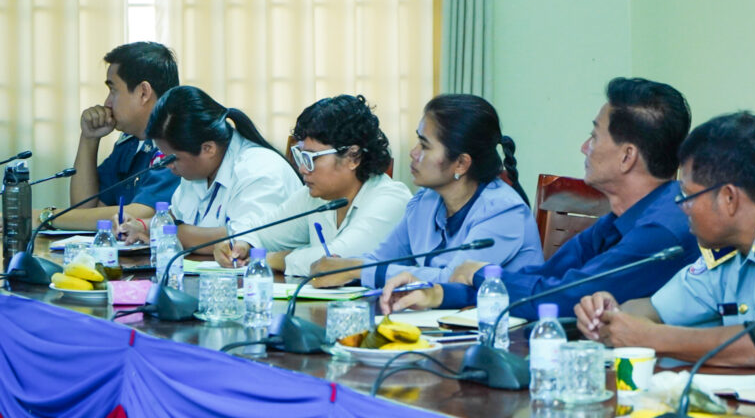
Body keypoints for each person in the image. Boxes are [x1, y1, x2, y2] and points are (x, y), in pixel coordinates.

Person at [379, 77, 699, 321]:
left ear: (627, 157)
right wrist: (439, 294)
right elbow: (544, 278)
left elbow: (561, 297)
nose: (584, 148)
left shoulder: (663, 230)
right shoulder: (619, 219)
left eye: (594, 137)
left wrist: (478, 274)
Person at [575, 112, 755, 367]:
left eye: (688, 196)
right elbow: (652, 310)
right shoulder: (729, 251)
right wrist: (611, 315)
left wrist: (653, 338)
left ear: (728, 198)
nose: (682, 207)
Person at [309, 94, 543, 288]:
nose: (413, 152)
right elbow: (380, 259)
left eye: (424, 145)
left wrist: (357, 269)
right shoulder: (426, 201)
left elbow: (455, 280)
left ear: (461, 163)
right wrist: (343, 267)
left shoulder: (504, 212)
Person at [211, 95, 411, 275]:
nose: (302, 169)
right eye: (300, 156)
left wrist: (278, 259)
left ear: (353, 157)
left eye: (311, 158)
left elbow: (339, 260)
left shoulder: (391, 199)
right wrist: (240, 244)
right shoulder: (316, 196)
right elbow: (260, 231)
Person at [117, 86, 300, 252]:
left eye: (172, 159)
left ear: (208, 149)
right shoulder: (198, 169)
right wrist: (141, 226)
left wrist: (167, 234)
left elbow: (241, 239)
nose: (166, 165)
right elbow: (175, 216)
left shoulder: (260, 169)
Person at [40, 42, 179, 230]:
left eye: (113, 90)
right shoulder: (130, 144)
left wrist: (45, 218)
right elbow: (84, 209)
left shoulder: (175, 143)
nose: (107, 103)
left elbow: (140, 214)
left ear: (143, 93)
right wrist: (89, 138)